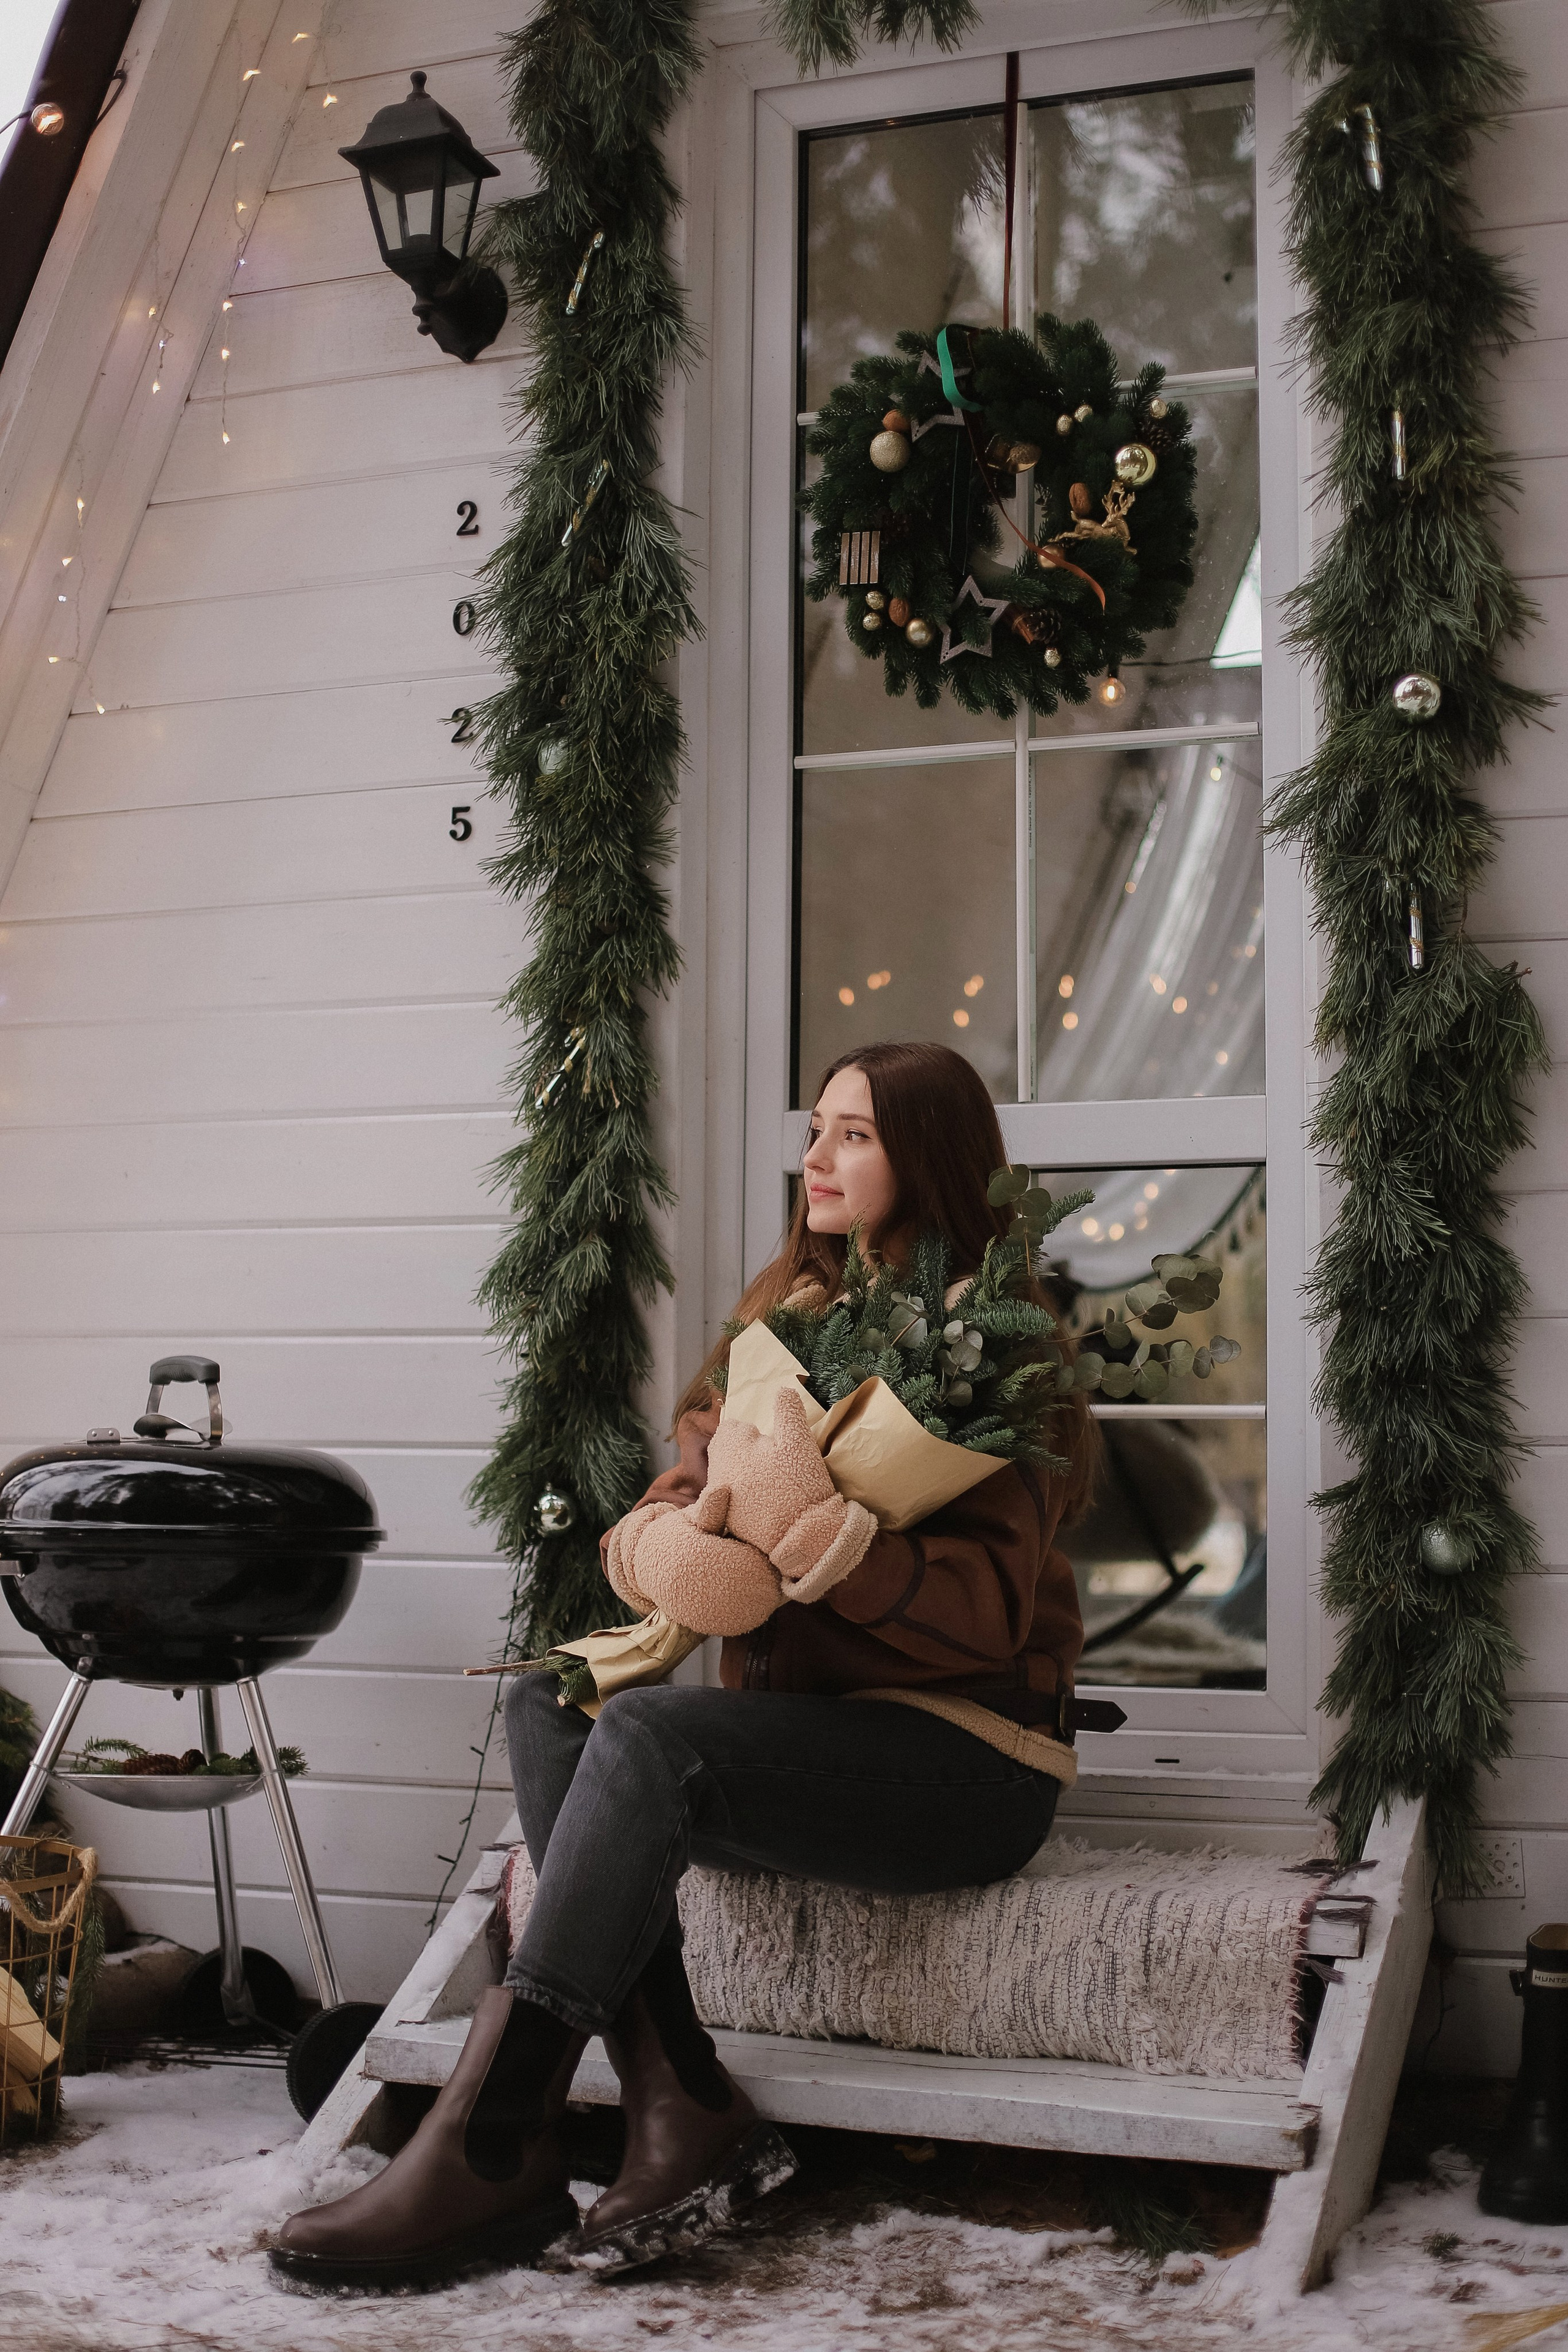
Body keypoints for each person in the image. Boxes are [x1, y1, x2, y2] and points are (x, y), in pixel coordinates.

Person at [273, 1041, 1098, 2288]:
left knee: (654, 1738)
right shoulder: (789, 1317)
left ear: (926, 1160)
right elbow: (693, 1483)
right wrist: (663, 1537)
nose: (813, 1157)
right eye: (815, 1128)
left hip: (967, 1764)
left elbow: (986, 1618)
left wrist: (833, 1545)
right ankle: (683, 2097)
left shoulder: (1002, 1351)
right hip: (805, 1745)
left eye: (854, 1136)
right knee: (561, 1705)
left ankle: (496, 2137)